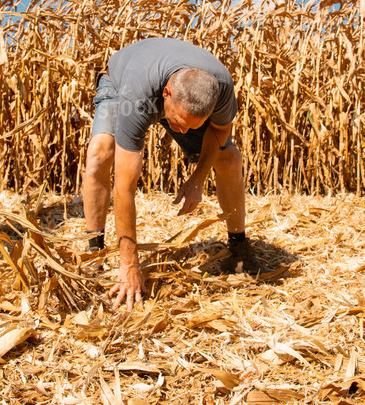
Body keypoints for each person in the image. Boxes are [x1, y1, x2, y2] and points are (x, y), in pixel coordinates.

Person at [82, 37, 269, 311]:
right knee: (100, 152)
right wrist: (130, 264)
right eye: (178, 124)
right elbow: (124, 187)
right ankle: (94, 251)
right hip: (122, 81)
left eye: (191, 127)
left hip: (174, 95)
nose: (180, 133)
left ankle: (239, 250)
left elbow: (219, 130)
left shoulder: (221, 87)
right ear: (166, 94)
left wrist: (198, 177)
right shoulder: (137, 95)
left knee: (230, 159)